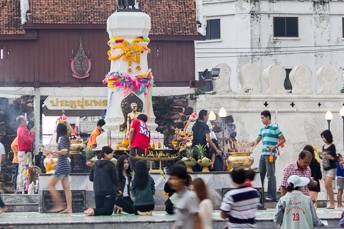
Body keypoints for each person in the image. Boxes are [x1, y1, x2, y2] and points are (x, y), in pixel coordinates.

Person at [250, 110, 285, 201]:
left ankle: (271, 196)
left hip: (271, 154)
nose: (261, 120)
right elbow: (256, 141)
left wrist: (275, 146)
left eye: (262, 118)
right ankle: (260, 195)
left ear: (268, 117)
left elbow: (283, 139)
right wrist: (251, 143)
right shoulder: (262, 129)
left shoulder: (274, 127)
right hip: (263, 154)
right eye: (261, 118)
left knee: (270, 175)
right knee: (260, 174)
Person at [84, 146, 117, 216]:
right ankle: (92, 210)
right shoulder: (111, 165)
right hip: (109, 192)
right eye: (111, 153)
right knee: (108, 211)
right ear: (105, 154)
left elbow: (91, 178)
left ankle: (92, 210)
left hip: (97, 192)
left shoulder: (95, 164)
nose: (112, 155)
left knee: (101, 211)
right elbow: (115, 179)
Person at [47, 123, 72, 213]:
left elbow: (64, 151)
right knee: (66, 188)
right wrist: (55, 153)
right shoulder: (66, 138)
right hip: (65, 164)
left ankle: (59, 205)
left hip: (62, 165)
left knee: (50, 185)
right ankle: (69, 208)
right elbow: (64, 151)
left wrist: (55, 151)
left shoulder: (63, 138)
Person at [168, 164, 203, 229]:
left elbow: (198, 221)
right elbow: (179, 220)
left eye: (175, 179)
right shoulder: (178, 196)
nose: (172, 182)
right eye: (171, 178)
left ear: (183, 180)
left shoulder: (190, 196)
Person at [16, 115, 35, 194]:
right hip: (25, 153)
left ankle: (22, 188)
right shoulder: (23, 129)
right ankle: (23, 188)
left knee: (22, 170)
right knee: (24, 170)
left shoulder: (21, 129)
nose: (26, 121)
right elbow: (28, 140)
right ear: (21, 121)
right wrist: (33, 134)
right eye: (24, 120)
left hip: (23, 153)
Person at [319, 129, 337, 209]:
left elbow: (333, 157)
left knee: (328, 184)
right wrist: (321, 155)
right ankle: (331, 203)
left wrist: (325, 155)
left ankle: (332, 203)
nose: (323, 139)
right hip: (324, 167)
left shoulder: (332, 146)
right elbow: (323, 157)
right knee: (327, 186)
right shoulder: (323, 146)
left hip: (331, 167)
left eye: (324, 137)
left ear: (328, 137)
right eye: (322, 137)